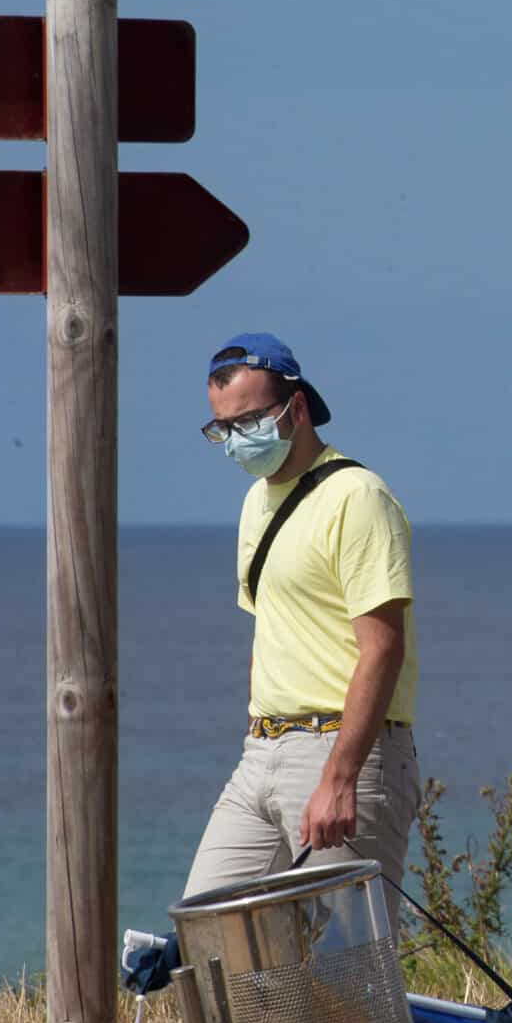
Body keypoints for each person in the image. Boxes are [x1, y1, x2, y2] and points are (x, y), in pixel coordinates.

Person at [181, 333, 421, 903]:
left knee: (347, 964)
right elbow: (273, 632)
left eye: (249, 421)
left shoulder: (358, 497)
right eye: (223, 428)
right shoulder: (255, 502)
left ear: (298, 409)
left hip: (341, 750)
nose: (237, 440)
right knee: (209, 935)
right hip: (262, 751)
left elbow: (382, 648)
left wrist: (339, 779)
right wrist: (256, 734)